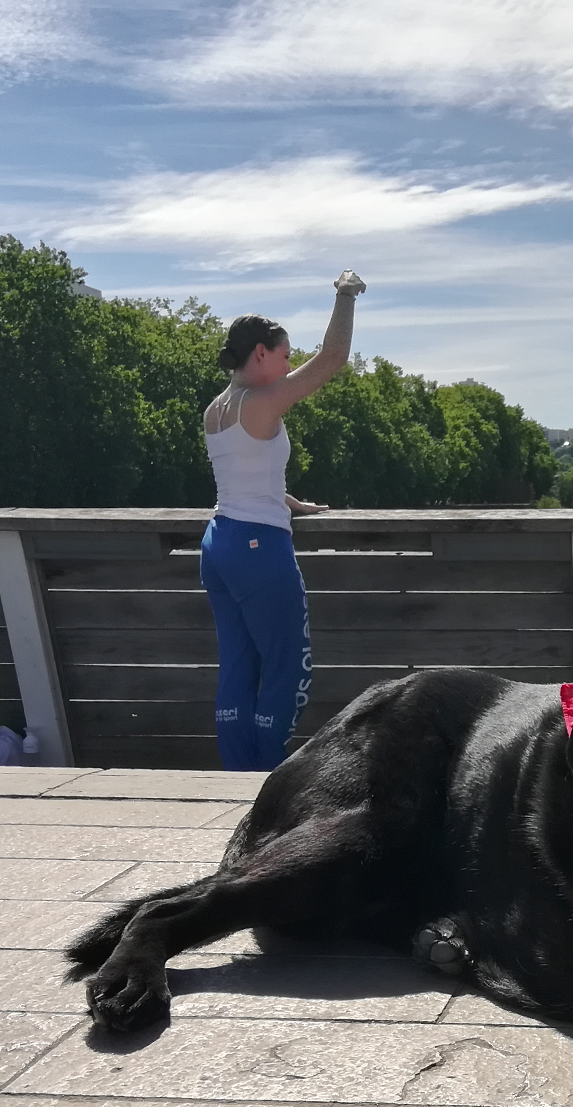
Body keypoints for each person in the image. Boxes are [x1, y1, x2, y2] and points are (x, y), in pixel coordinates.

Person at [201, 269, 365, 771]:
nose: (291, 362)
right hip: (258, 550)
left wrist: (292, 503)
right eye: (286, 353)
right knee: (287, 669)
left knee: (238, 665)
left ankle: (236, 777)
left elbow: (244, 476)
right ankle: (268, 775)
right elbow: (333, 358)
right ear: (261, 354)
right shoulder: (261, 401)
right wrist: (345, 293)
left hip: (220, 542)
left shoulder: (217, 408)